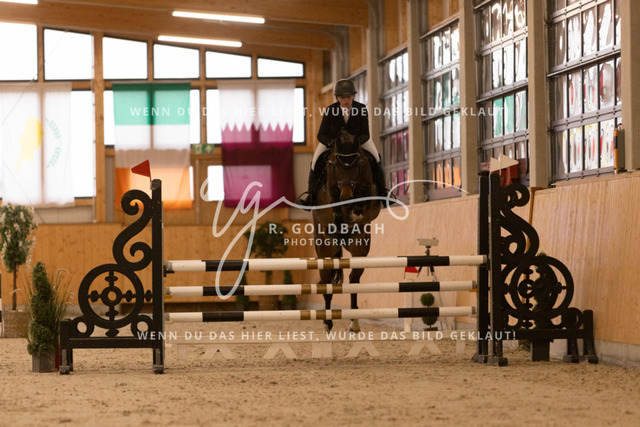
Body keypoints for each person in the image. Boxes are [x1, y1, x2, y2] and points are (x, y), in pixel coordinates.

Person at [296, 79, 393, 207]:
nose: (346, 100)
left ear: (353, 96)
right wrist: (331, 143)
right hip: (333, 143)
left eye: (349, 96)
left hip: (357, 142)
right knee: (315, 162)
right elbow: (321, 135)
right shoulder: (330, 110)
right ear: (337, 97)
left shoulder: (361, 109)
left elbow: (365, 133)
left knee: (376, 159)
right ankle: (310, 196)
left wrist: (356, 143)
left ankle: (383, 192)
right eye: (342, 97)